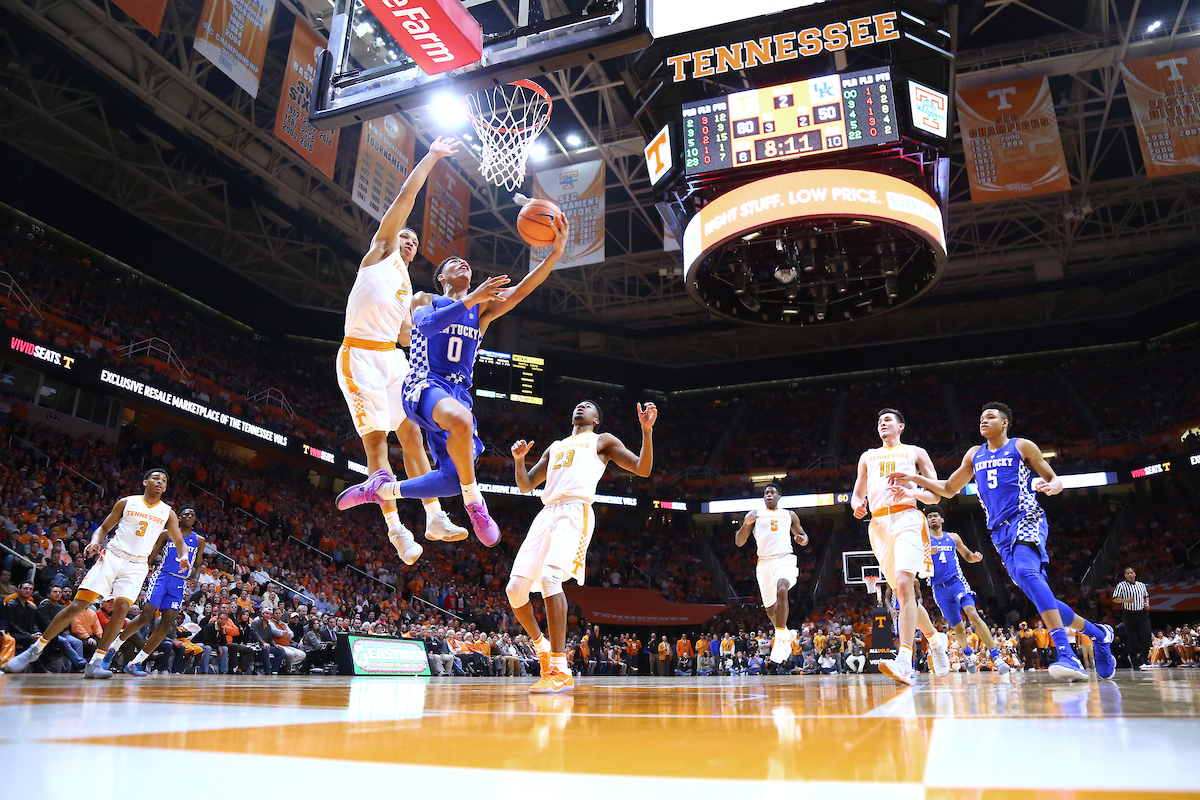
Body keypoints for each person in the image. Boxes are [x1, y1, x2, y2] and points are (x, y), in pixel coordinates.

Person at [337, 213, 570, 547]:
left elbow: (521, 291)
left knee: (450, 479)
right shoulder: (425, 299)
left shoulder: (482, 311)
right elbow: (427, 327)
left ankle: (382, 490)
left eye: (466, 263)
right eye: (454, 262)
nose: (463, 264)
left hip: (458, 392)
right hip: (423, 385)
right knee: (460, 425)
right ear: (441, 277)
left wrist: (555, 255)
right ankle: (475, 503)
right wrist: (472, 298)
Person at [888, 401, 1117, 682]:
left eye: (991, 417)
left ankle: (1067, 655)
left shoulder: (1022, 447)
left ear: (1005, 422)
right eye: (981, 417)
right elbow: (948, 489)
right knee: (1037, 592)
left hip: (1027, 518)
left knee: (1026, 573)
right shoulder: (974, 454)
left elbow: (1053, 478)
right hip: (999, 534)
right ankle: (1099, 634)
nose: (983, 420)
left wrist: (1052, 487)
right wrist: (914, 478)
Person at [335, 135, 469, 566]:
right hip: (358, 356)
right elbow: (405, 200)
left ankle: (434, 516)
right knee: (376, 444)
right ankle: (396, 530)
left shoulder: (410, 288)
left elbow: (415, 339)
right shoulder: (378, 254)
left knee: (410, 433)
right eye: (404, 236)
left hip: (393, 359)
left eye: (414, 240)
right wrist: (430, 157)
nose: (409, 241)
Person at [505, 399, 656, 693]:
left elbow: (643, 468)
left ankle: (560, 669)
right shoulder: (556, 445)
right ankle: (542, 646)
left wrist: (646, 431)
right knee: (514, 590)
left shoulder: (602, 440)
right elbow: (526, 485)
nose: (580, 407)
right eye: (578, 404)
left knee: (550, 579)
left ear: (596, 419)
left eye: (587, 406)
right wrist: (519, 460)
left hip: (574, 511)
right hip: (546, 513)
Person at [4, 469, 188, 678]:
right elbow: (103, 528)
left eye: (164, 480)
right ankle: (34, 650)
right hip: (113, 556)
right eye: (156, 478)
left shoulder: (168, 512)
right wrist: (94, 541)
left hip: (137, 565)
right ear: (145, 482)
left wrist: (183, 557)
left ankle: (96, 662)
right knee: (78, 605)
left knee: (121, 608)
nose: (160, 482)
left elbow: (179, 542)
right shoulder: (126, 502)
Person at [850, 408, 951, 685]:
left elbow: (937, 493)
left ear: (901, 426)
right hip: (879, 525)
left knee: (905, 587)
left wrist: (912, 491)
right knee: (900, 592)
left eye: (888, 420)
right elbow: (858, 493)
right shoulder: (867, 456)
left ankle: (904, 659)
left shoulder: (915, 452)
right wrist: (856, 505)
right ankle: (935, 638)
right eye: (879, 420)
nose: (882, 423)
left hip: (907, 517)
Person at [105, 507, 205, 676]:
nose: (189, 516)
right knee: (146, 615)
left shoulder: (200, 540)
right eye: (186, 514)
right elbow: (152, 554)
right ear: (179, 517)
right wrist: (142, 572)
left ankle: (136, 662)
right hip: (161, 576)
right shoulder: (167, 534)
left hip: (179, 582)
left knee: (167, 624)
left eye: (192, 514)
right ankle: (113, 648)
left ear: (195, 519)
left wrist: (195, 579)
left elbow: (197, 565)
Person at [924, 506, 1010, 675]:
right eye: (929, 516)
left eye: (935, 516)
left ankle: (996, 656)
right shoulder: (923, 541)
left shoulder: (953, 537)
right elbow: (916, 564)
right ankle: (968, 653)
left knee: (973, 614)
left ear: (942, 519)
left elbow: (967, 555)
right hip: (939, 589)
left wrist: (975, 558)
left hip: (957, 582)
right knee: (959, 630)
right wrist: (926, 552)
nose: (932, 518)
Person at [734, 483, 808, 663]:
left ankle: (780, 639)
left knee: (782, 588)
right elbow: (739, 542)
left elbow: (804, 537)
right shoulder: (754, 514)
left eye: (772, 492)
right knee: (770, 610)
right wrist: (746, 523)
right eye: (766, 492)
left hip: (785, 558)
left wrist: (801, 539)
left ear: (779, 496)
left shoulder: (789, 514)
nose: (768, 495)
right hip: (764, 562)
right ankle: (785, 635)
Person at [1111, 566, 1152, 670]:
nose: (1130, 574)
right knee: (1131, 638)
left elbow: (1146, 595)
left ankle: (1144, 657)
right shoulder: (1121, 585)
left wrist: (1147, 603)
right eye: (1127, 573)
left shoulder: (1141, 585)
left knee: (1147, 634)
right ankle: (1135, 663)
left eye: (1131, 572)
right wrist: (1126, 601)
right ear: (1125, 576)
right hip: (1129, 614)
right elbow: (1115, 599)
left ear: (1135, 574)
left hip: (1142, 613)